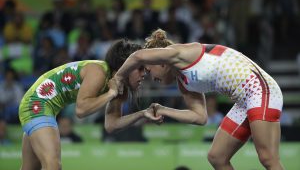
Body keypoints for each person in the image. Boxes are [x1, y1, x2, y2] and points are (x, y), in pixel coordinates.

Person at [114, 29, 284, 170]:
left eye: (149, 71)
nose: (150, 77)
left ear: (161, 62)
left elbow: (137, 56)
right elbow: (200, 117)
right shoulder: (184, 82)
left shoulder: (179, 53)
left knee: (268, 158)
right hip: (245, 100)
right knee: (217, 157)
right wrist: (164, 109)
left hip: (260, 90)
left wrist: (118, 78)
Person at [18, 39, 161, 170]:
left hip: (41, 106)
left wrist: (142, 114)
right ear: (125, 66)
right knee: (53, 165)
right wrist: (110, 94)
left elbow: (111, 124)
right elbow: (81, 110)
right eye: (140, 68)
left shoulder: (119, 88)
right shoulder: (98, 72)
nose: (144, 74)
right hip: (37, 103)